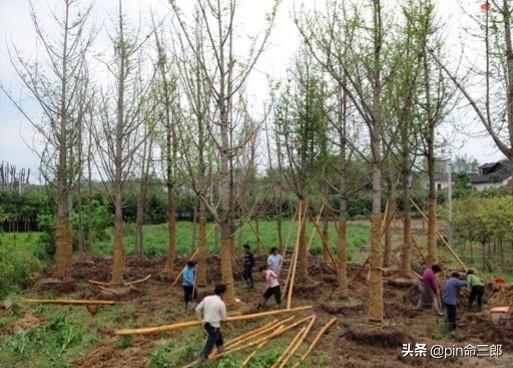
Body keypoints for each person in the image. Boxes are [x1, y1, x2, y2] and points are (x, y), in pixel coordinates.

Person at [195, 283, 228, 365]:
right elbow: (224, 319)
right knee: (209, 345)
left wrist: (201, 321)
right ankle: (200, 361)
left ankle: (222, 354)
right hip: (214, 326)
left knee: (219, 339)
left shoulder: (207, 298)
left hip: (207, 324)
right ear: (222, 293)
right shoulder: (221, 303)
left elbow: (197, 309)